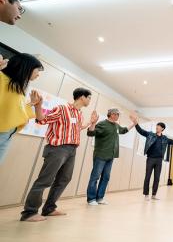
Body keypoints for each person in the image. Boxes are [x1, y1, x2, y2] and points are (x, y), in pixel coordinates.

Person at [21, 88, 98, 222]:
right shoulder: (62, 109)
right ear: (82, 97)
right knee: (45, 180)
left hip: (72, 150)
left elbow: (78, 127)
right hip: (57, 148)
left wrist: (92, 122)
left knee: (64, 179)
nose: (90, 100)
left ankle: (49, 208)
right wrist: (38, 105)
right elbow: (42, 120)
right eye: (89, 97)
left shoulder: (79, 114)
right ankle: (29, 212)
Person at [0, 53, 44, 164]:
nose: (38, 75)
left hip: (8, 133)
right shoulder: (2, 78)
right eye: (37, 70)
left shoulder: (17, 87)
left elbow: (14, 111)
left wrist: (32, 103)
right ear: (27, 67)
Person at [86, 108, 135, 205]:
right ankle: (91, 199)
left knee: (105, 177)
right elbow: (90, 133)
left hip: (111, 156)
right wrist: (93, 123)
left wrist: (134, 123)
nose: (118, 116)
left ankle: (100, 198)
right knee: (95, 177)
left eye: (118, 114)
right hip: (101, 155)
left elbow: (124, 130)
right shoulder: (102, 124)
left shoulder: (116, 125)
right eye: (117, 114)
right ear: (112, 114)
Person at [130, 115, 173, 200]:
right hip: (150, 158)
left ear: (162, 129)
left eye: (158, 127)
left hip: (159, 160)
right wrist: (136, 123)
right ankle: (146, 195)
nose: (156, 128)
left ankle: (154, 195)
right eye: (156, 127)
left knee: (157, 178)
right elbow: (141, 131)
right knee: (147, 177)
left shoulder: (165, 138)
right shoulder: (150, 134)